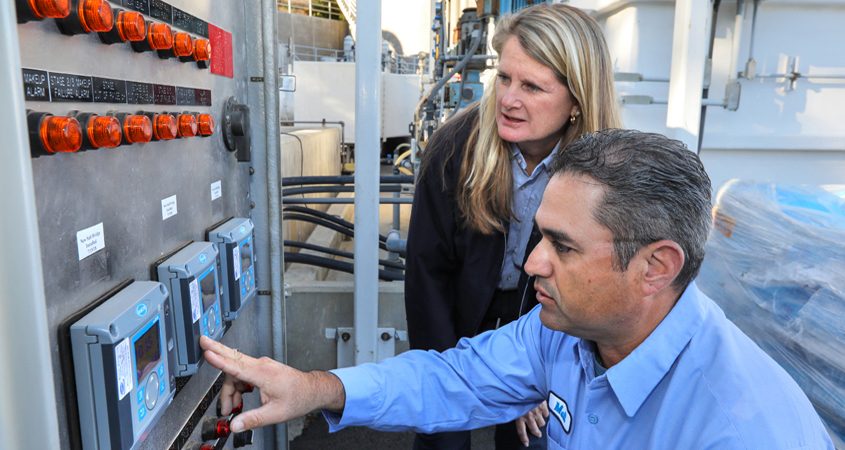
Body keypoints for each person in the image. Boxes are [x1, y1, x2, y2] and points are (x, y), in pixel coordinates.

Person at [200, 129, 835, 449]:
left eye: (562, 246)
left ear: (656, 267)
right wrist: (314, 388)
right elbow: (454, 379)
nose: (532, 265)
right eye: (539, 238)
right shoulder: (569, 332)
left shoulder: (743, 429)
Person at [404, 4, 621, 447]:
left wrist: (541, 379)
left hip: (546, 319)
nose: (508, 99)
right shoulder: (454, 148)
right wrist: (444, 382)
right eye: (504, 78)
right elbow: (427, 276)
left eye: (532, 86)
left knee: (535, 436)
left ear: (577, 100)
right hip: (460, 308)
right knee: (442, 431)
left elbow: (596, 287)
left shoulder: (606, 173)